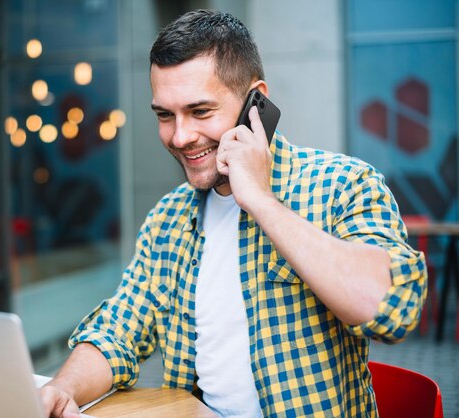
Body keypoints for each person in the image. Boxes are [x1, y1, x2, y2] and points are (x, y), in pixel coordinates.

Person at [40, 9, 427, 418]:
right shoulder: (168, 218)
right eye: (165, 115)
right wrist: (62, 389)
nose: (181, 136)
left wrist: (259, 199)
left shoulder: (343, 184)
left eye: (200, 111)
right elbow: (119, 327)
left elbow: (389, 310)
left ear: (255, 103)